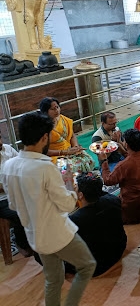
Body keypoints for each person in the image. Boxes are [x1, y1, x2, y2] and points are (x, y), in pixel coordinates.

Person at [1, 112, 96, 305]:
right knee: (87, 266)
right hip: (57, 234)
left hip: (34, 235)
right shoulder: (45, 168)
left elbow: (12, 204)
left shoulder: (9, 166)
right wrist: (70, 185)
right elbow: (68, 204)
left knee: (54, 278)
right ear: (44, 137)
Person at [69, 172, 127, 277]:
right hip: (118, 249)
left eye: (76, 188)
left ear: (81, 195)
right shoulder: (114, 200)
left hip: (96, 266)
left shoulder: (75, 219)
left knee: (44, 252)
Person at [99, 128, 140, 224]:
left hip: (131, 204)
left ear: (127, 144)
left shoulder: (123, 165)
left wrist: (104, 162)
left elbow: (108, 180)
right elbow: (134, 158)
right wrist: (122, 150)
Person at [39, 97, 94, 173]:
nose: (56, 110)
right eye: (53, 109)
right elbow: (43, 151)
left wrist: (75, 147)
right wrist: (64, 152)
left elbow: (72, 135)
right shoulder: (42, 127)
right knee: (67, 168)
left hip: (70, 150)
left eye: (57, 107)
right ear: (45, 111)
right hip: (55, 155)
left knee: (88, 159)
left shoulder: (64, 120)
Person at [0, 133, 32, 257]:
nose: (0, 142)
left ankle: (36, 237)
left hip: (17, 191)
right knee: (19, 212)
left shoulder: (7, 149)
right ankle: (22, 243)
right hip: (2, 199)